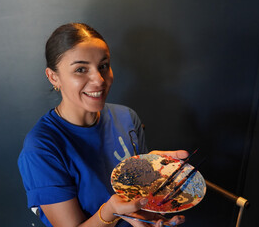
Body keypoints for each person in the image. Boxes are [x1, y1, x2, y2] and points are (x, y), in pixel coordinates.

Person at [18, 23, 187, 227]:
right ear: (53, 77)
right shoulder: (41, 148)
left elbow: (137, 197)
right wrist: (110, 212)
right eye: (81, 69)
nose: (99, 79)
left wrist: (151, 176)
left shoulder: (127, 117)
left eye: (104, 66)